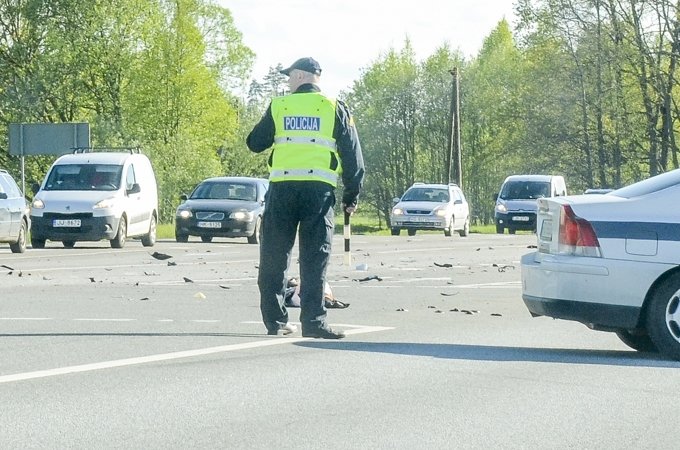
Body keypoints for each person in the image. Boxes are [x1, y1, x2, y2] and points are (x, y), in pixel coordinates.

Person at [247, 57, 365, 339]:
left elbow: (254, 143)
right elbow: (352, 155)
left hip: (282, 189)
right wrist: (352, 193)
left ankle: (275, 322)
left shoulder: (279, 106)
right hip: (318, 192)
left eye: (290, 76)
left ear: (301, 76)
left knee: (274, 256)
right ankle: (313, 322)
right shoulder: (334, 107)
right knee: (314, 258)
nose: (287, 81)